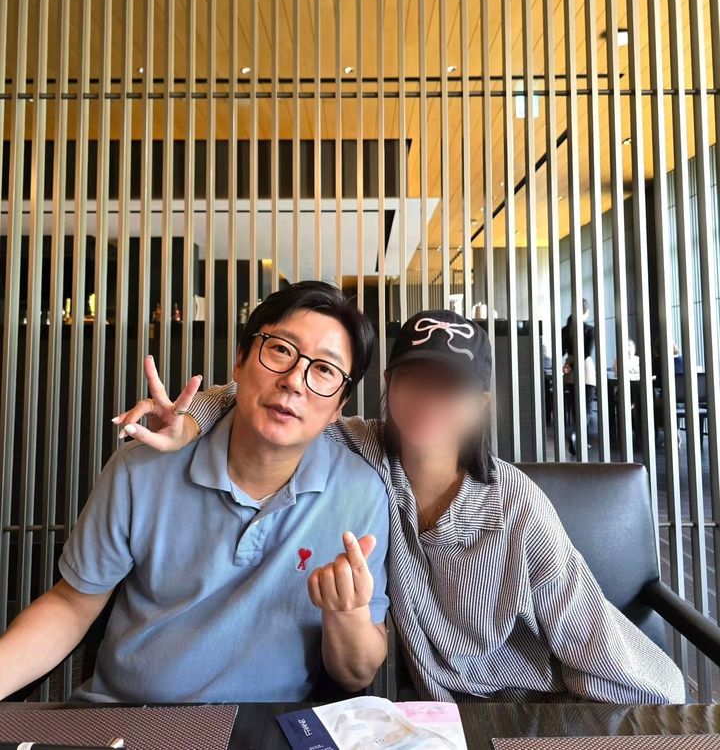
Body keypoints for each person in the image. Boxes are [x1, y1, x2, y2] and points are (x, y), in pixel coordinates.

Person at [117, 308, 685, 704]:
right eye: (414, 379)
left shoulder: (515, 508)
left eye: (451, 386)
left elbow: (593, 642)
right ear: (388, 383)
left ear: (480, 404)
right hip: (434, 717)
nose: (429, 400)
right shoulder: (362, 451)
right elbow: (272, 401)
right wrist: (190, 419)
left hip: (542, 705)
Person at [0, 281, 390, 703]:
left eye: (325, 370)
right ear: (240, 361)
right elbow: (72, 606)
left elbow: (356, 674)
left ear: (339, 406)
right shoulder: (141, 469)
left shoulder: (360, 493)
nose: (295, 380)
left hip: (269, 727)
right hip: (128, 717)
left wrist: (347, 612)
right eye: (281, 350)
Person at [561, 298, 596, 456]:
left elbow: (561, 351)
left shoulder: (565, 330)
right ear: (586, 312)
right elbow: (586, 352)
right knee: (587, 408)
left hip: (569, 371)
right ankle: (576, 434)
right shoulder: (589, 330)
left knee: (576, 408)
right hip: (585, 369)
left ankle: (581, 440)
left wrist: (568, 365)